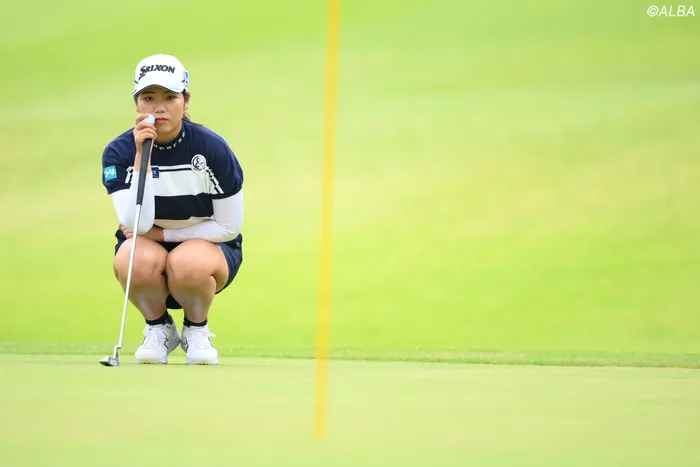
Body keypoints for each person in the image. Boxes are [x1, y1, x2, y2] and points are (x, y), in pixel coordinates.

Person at [101, 54, 244, 365]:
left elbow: (228, 227)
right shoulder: (119, 152)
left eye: (169, 97)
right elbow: (137, 225)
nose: (159, 108)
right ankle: (159, 329)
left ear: (185, 100)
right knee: (130, 257)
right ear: (136, 103)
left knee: (188, 261)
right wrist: (142, 156)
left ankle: (196, 329)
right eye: (148, 98)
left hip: (210, 248)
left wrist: (163, 235)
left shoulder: (211, 149)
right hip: (146, 244)